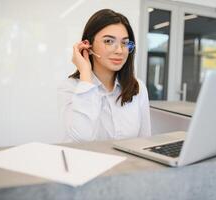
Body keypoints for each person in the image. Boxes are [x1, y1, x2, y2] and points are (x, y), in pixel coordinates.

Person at [57, 9, 151, 142]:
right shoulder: (69, 88)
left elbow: (144, 141)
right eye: (108, 41)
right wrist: (85, 72)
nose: (119, 50)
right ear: (87, 45)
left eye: (124, 43)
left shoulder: (137, 88)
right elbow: (83, 138)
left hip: (128, 163)